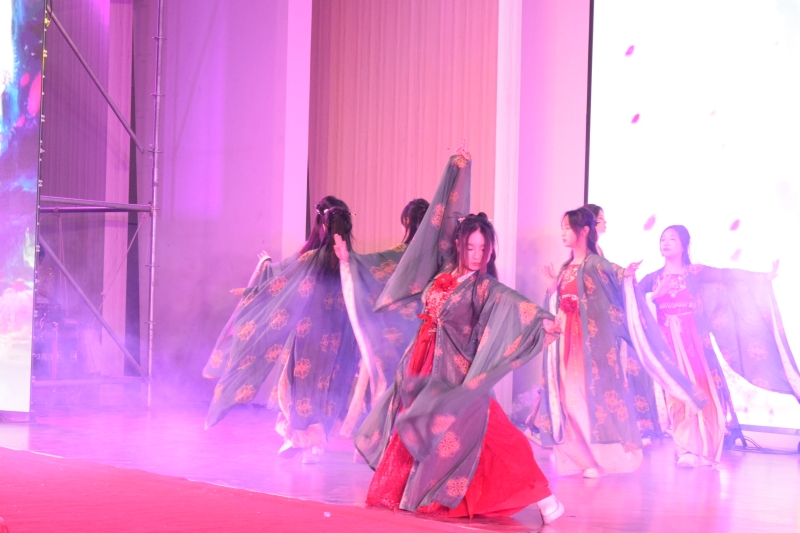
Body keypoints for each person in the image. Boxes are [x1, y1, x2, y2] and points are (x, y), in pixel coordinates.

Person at [348, 153, 564, 524]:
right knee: (428, 432)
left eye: (483, 249)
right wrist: (459, 168)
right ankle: (418, 492)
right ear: (460, 246)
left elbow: (515, 304)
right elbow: (445, 215)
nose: (476, 255)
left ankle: (545, 498)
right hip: (422, 366)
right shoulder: (445, 269)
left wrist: (543, 322)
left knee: (493, 432)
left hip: (457, 375)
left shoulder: (486, 288)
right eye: (470, 247)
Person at [531, 208, 704, 478]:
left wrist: (626, 274)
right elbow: (559, 304)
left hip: (588, 345)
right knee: (567, 400)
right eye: (561, 227)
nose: (562, 233)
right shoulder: (566, 268)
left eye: (567, 227)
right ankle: (580, 459)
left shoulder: (594, 263)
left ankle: (599, 460)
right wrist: (553, 290)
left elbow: (614, 273)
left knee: (585, 400)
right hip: (566, 343)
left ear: (584, 231)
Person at [638, 225, 799, 467]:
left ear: (684, 244)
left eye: (672, 238)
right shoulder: (652, 279)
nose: (666, 242)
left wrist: (761, 278)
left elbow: (727, 276)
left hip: (694, 342)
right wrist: (653, 296)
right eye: (663, 238)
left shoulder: (694, 272)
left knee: (701, 392)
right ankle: (685, 449)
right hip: (666, 344)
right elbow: (632, 302)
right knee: (675, 395)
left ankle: (702, 448)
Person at [202, 196, 348, 380]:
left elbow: (286, 272)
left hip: (329, 323)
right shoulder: (314, 253)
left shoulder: (334, 255)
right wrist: (266, 268)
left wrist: (264, 273)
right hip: (313, 324)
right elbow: (287, 272)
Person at [339, 198, 429, 437]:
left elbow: (373, 266)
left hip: (397, 334)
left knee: (391, 385)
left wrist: (351, 260)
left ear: (407, 223)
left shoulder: (401, 255)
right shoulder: (437, 256)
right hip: (426, 332)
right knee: (420, 387)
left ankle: (385, 439)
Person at [583, 203, 662, 444]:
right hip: (596, 321)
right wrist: (624, 276)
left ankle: (615, 430)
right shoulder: (591, 252)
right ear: (590, 225)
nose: (606, 223)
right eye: (601, 219)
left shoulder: (596, 250)